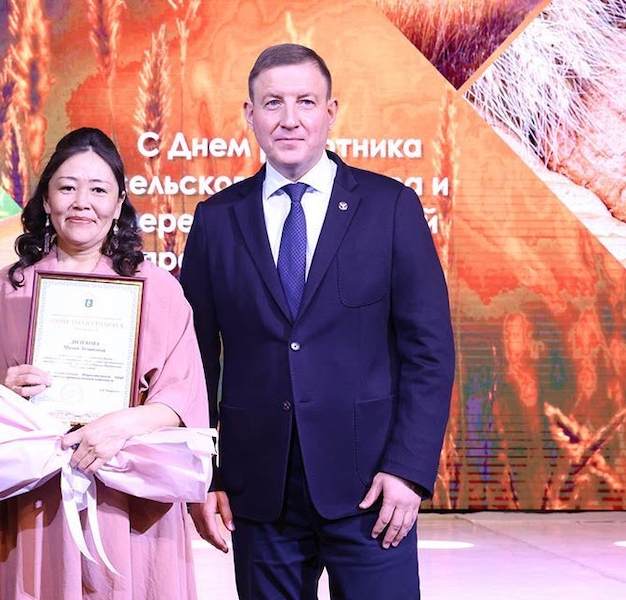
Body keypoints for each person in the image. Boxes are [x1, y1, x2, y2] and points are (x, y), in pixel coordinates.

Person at [179, 44, 455, 599]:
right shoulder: (216, 220)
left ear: (331, 112)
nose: (289, 119)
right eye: (272, 103)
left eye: (305, 101)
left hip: (373, 487)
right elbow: (194, 364)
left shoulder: (390, 207)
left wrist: (408, 470)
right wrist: (203, 474)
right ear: (249, 114)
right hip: (259, 491)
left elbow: (430, 353)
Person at [0, 127, 208, 600]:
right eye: (67, 187)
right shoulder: (9, 289)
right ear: (46, 199)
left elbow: (183, 397)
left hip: (129, 496)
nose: (81, 203)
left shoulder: (158, 289)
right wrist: (3, 391)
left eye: (98, 190)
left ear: (119, 202)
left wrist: (119, 426)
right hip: (35, 497)